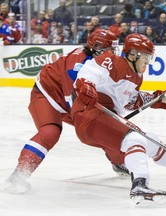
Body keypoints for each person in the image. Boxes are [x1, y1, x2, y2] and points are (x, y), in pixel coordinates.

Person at [70, 33, 166, 204]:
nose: (148, 62)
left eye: (149, 57)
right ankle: (140, 185)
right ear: (132, 55)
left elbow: (132, 101)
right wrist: (87, 85)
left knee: (151, 140)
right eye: (145, 57)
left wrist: (160, 99)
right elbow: (90, 72)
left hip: (104, 117)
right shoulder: (111, 60)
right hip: (89, 114)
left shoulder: (136, 77)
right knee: (134, 139)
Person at [3, 29, 129, 194]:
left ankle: (118, 161)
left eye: (113, 49)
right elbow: (74, 101)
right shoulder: (76, 66)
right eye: (108, 49)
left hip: (71, 100)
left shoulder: (105, 62)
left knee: (107, 127)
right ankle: (19, 175)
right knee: (50, 132)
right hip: (47, 96)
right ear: (96, 47)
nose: (112, 53)